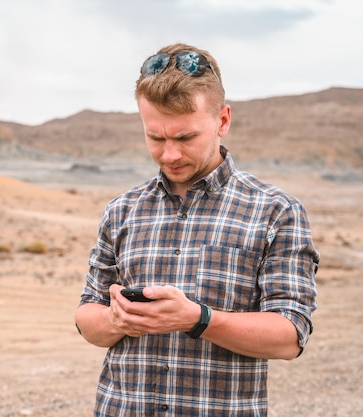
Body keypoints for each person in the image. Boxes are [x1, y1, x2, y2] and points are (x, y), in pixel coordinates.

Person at [75, 42, 319, 416]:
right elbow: (86, 318)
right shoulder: (121, 211)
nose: (169, 154)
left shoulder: (276, 211)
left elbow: (290, 336)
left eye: (185, 138)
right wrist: (114, 319)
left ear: (222, 120)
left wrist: (200, 319)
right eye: (155, 138)